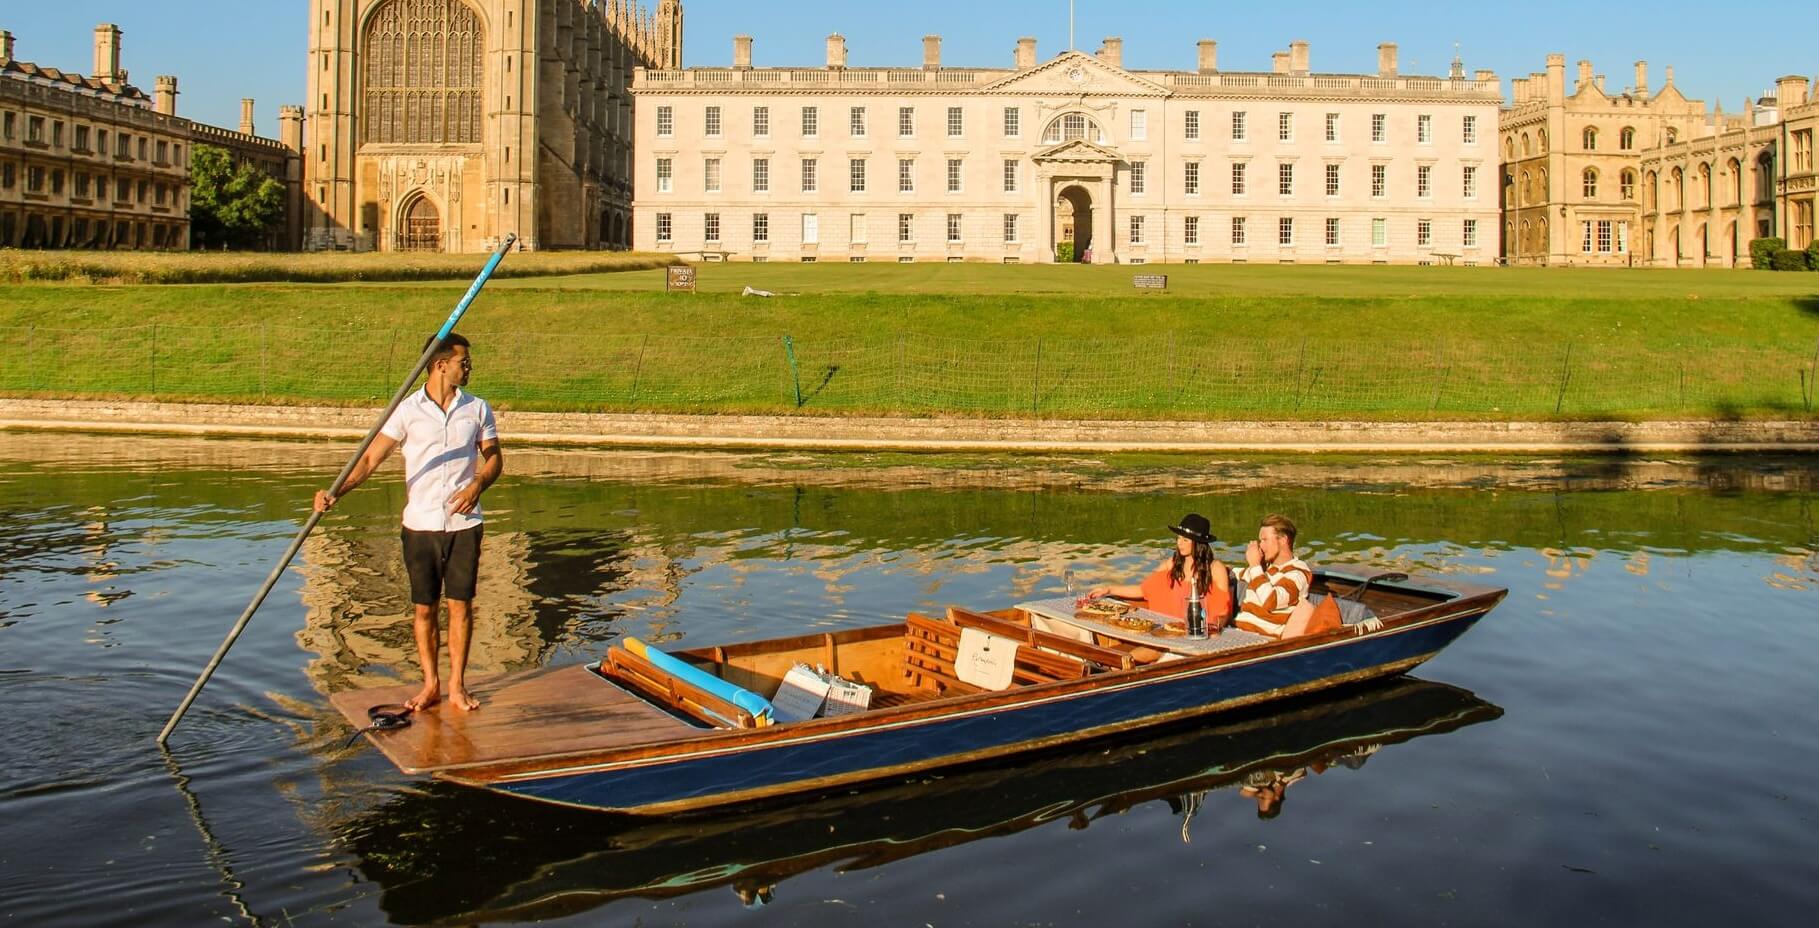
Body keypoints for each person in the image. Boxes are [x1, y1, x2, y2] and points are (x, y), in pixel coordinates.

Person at [314, 333, 503, 712]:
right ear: (440, 365)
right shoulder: (408, 410)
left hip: (464, 524)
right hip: (420, 525)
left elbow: (495, 458)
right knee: (423, 608)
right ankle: (431, 684)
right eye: (463, 361)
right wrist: (337, 492)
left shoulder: (477, 409)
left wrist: (479, 482)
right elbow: (369, 460)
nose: (469, 367)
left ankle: (457, 686)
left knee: (461, 606)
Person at [1084, 513, 1231, 627]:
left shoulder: (1215, 568)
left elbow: (1224, 610)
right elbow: (1144, 589)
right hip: (1169, 627)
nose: (1179, 543)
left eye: (1185, 540)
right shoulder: (1172, 564)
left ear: (1199, 544)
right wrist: (1109, 589)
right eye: (1178, 538)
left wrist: (1215, 628)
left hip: (1198, 630)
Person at [1235, 514, 1315, 638]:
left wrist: (1255, 565)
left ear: (1283, 540)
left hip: (1262, 640)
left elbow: (1271, 601)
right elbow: (1239, 574)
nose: (1261, 546)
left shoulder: (1298, 573)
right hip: (1238, 633)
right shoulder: (1267, 569)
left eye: (1264, 540)